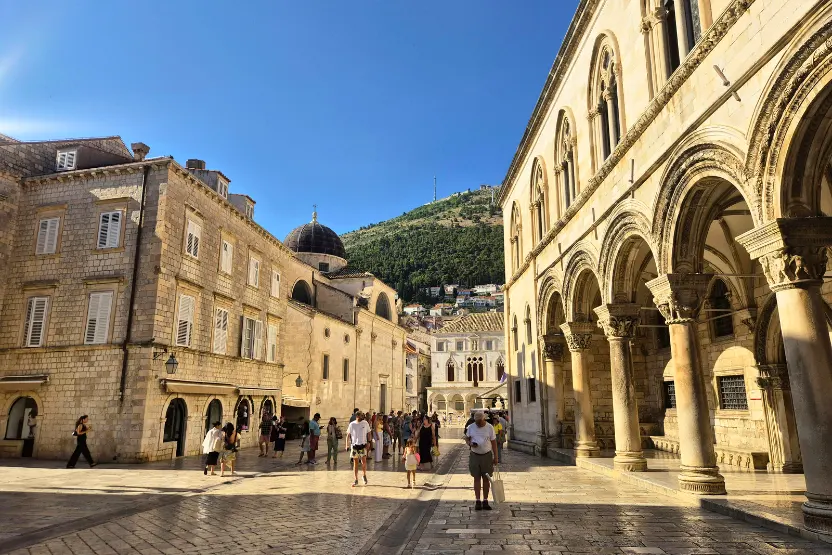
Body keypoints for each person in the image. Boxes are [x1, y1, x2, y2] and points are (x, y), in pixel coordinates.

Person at [464, 410, 499, 511]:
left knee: (486, 479)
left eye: (479, 421)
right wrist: (470, 444)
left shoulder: (489, 427)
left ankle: (485, 500)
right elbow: (467, 438)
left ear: (483, 419)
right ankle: (478, 500)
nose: (477, 423)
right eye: (476, 421)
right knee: (476, 478)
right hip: (475, 455)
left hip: (487, 456)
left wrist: (496, 457)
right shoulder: (471, 427)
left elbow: (494, 443)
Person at [346, 411, 371, 487]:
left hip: (363, 445)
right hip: (354, 446)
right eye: (361, 415)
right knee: (355, 463)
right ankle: (356, 479)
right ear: (357, 416)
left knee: (364, 462)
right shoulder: (352, 424)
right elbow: (348, 434)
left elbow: (369, 433)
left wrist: (369, 442)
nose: (362, 417)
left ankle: (364, 475)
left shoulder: (365, 423)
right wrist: (346, 445)